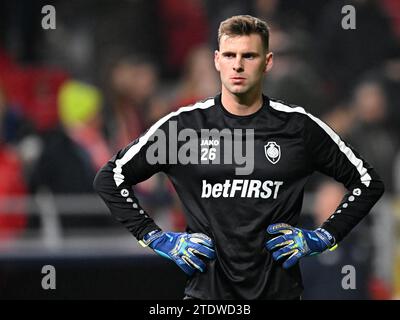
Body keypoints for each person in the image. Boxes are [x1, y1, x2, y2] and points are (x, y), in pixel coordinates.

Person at [94, 15, 385, 299]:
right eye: (230, 55)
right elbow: (110, 178)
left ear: (267, 62)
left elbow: (368, 182)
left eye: (249, 56)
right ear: (217, 60)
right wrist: (156, 238)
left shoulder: (298, 127)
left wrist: (324, 237)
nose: (238, 65)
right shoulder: (185, 127)